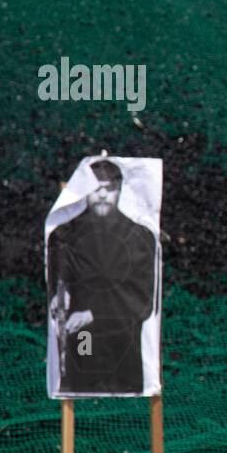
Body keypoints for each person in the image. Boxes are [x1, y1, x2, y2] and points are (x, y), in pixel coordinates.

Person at [48, 160, 158, 395]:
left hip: (122, 350)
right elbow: (62, 274)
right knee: (77, 389)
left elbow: (144, 300)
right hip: (80, 347)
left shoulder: (138, 237)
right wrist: (60, 295)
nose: (102, 196)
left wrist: (93, 313)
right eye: (96, 189)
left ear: (119, 191)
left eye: (109, 189)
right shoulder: (68, 233)